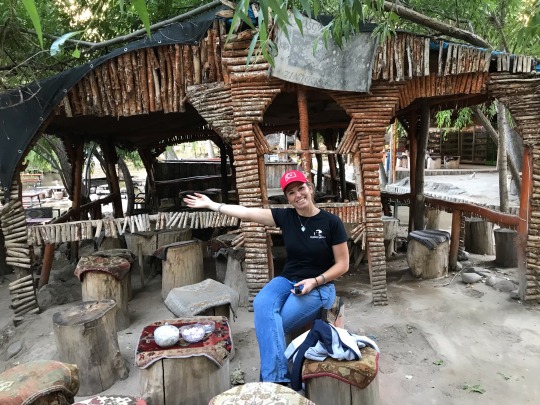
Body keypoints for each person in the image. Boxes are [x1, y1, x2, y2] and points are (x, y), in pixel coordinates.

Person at [183, 170, 349, 385]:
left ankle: (272, 380)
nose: (298, 195)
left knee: (275, 323)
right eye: (291, 192)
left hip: (320, 286)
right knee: (262, 303)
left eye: (301, 188)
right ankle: (277, 379)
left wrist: (315, 281)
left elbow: (343, 264)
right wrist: (212, 205)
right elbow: (246, 213)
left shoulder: (331, 222)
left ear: (310, 188)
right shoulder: (286, 217)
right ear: (287, 198)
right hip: (287, 280)